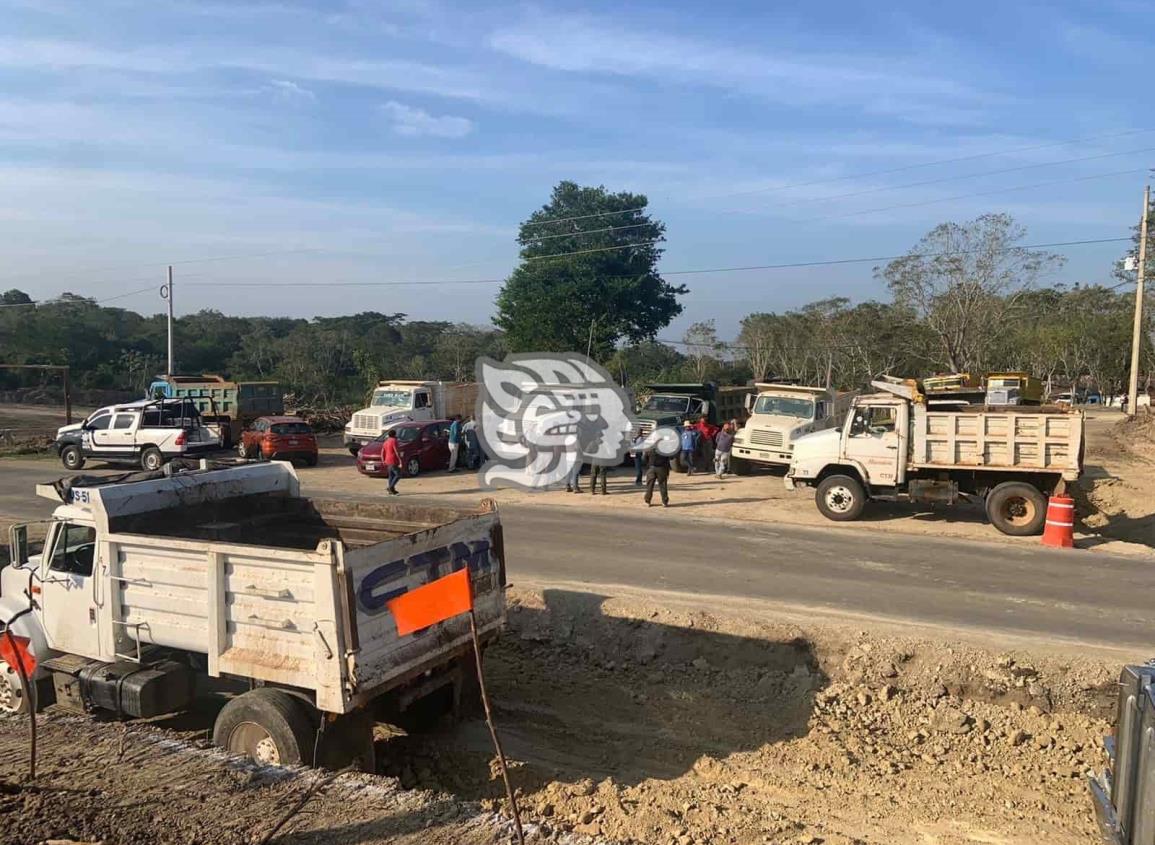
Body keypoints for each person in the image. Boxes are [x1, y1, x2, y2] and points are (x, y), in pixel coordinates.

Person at [382, 429, 401, 495]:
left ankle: (391, 490)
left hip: (387, 460)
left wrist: (383, 460)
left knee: (391, 475)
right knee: (398, 475)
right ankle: (390, 487)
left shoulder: (386, 442)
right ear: (394, 435)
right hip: (393, 460)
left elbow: (382, 452)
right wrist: (400, 460)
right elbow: (396, 451)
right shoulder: (394, 441)